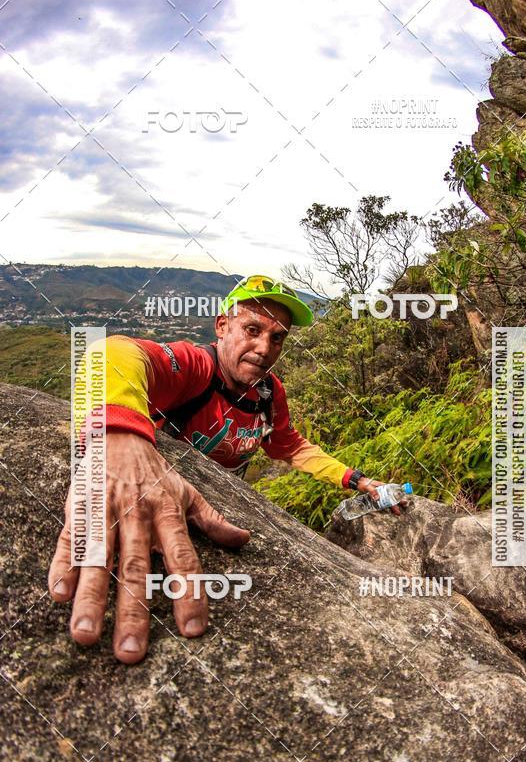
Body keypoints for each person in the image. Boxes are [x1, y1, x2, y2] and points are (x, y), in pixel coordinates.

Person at [49, 274, 407, 663]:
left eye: (277, 338)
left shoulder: (269, 393)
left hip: (227, 505)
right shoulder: (196, 368)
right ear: (222, 326)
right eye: (252, 329)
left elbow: (289, 445)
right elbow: (112, 354)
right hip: (160, 499)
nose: (264, 348)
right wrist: (120, 436)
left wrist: (357, 480)